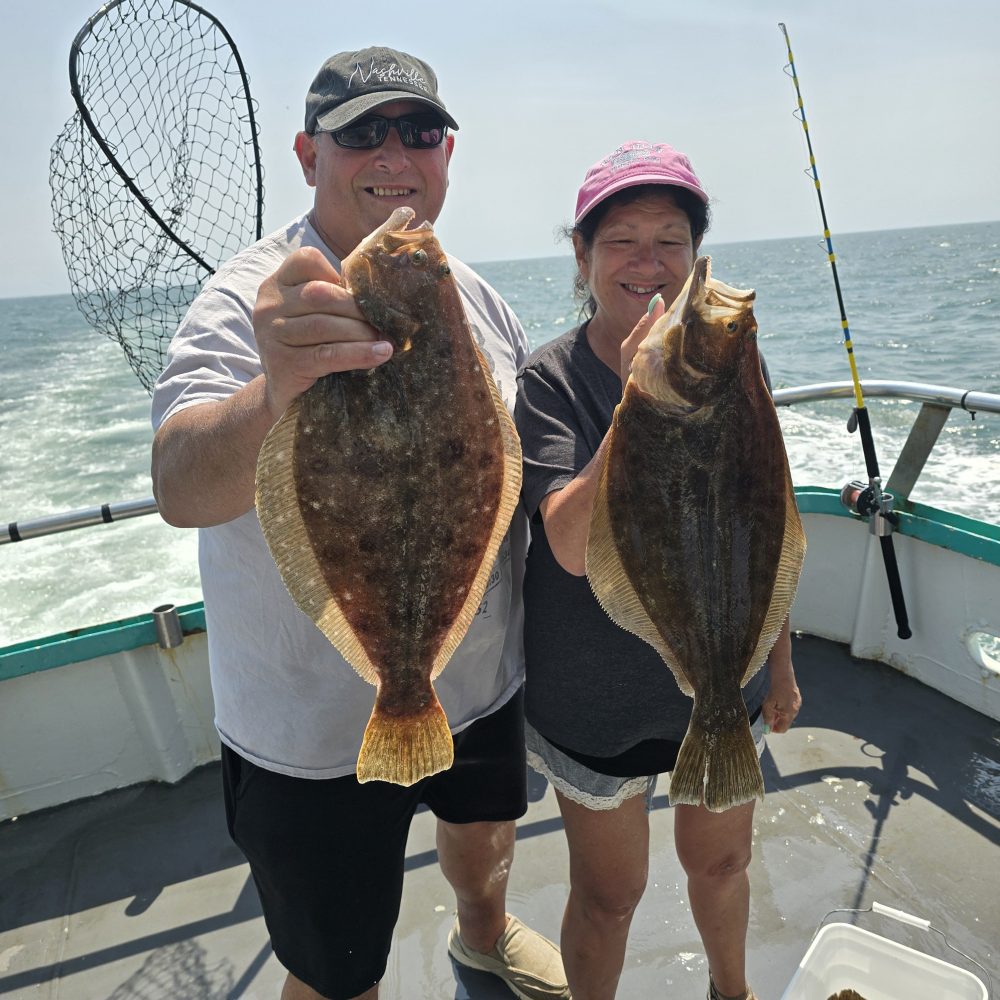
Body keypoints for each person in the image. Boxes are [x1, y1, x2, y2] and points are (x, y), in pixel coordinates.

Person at [151, 47, 569, 1000]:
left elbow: (506, 473)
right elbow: (179, 485)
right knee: (335, 967)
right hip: (308, 736)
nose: (395, 152)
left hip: (476, 681)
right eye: (362, 132)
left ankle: (485, 934)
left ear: (447, 154)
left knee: (484, 843)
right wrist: (274, 392)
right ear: (309, 155)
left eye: (418, 131)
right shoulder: (252, 302)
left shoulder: (475, 296)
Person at [513, 141, 803, 1000]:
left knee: (722, 866)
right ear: (583, 257)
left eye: (671, 240)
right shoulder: (551, 383)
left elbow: (769, 526)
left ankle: (732, 993)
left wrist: (779, 665)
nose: (650, 263)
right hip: (595, 700)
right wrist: (639, 401)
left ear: (696, 254)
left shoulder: (732, 363)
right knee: (610, 896)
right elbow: (566, 543)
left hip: (726, 683)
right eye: (623, 241)